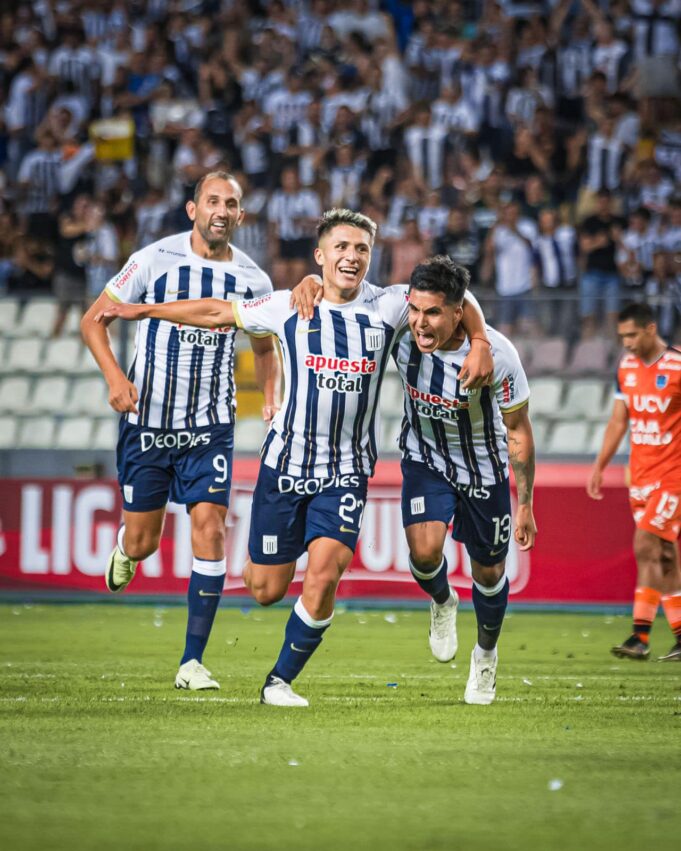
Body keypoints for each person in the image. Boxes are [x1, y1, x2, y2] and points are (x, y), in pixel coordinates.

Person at [95, 208, 495, 707]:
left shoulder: (390, 305)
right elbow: (219, 312)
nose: (352, 257)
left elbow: (455, 293)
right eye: (342, 248)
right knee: (264, 588)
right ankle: (261, 593)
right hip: (283, 468)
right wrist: (144, 311)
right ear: (321, 256)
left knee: (326, 573)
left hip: (346, 473)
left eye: (362, 249)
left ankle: (278, 681)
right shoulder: (288, 304)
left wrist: (479, 340)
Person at [81, 171, 280, 691]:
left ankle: (192, 662)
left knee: (211, 529)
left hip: (209, 426)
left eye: (230, 202)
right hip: (146, 420)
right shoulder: (153, 260)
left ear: (240, 216)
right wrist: (115, 377)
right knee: (146, 543)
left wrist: (272, 400)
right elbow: (94, 319)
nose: (221, 209)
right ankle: (128, 548)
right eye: (212, 200)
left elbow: (264, 348)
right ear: (193, 210)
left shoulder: (254, 281)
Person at [396, 256, 537, 704]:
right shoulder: (401, 328)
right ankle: (442, 600)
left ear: (458, 312)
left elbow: (518, 430)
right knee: (423, 553)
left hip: (484, 468)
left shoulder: (499, 356)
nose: (419, 322)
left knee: (490, 572)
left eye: (433, 312)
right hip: (425, 458)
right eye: (415, 310)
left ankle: (485, 656)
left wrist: (526, 503)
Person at [587, 302, 681, 661]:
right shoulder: (626, 368)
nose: (625, 343)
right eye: (621, 336)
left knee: (645, 543)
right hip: (640, 476)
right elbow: (618, 422)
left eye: (631, 335)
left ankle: (639, 637)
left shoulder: (676, 366)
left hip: (673, 477)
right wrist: (600, 465)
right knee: (666, 556)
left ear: (650, 329)